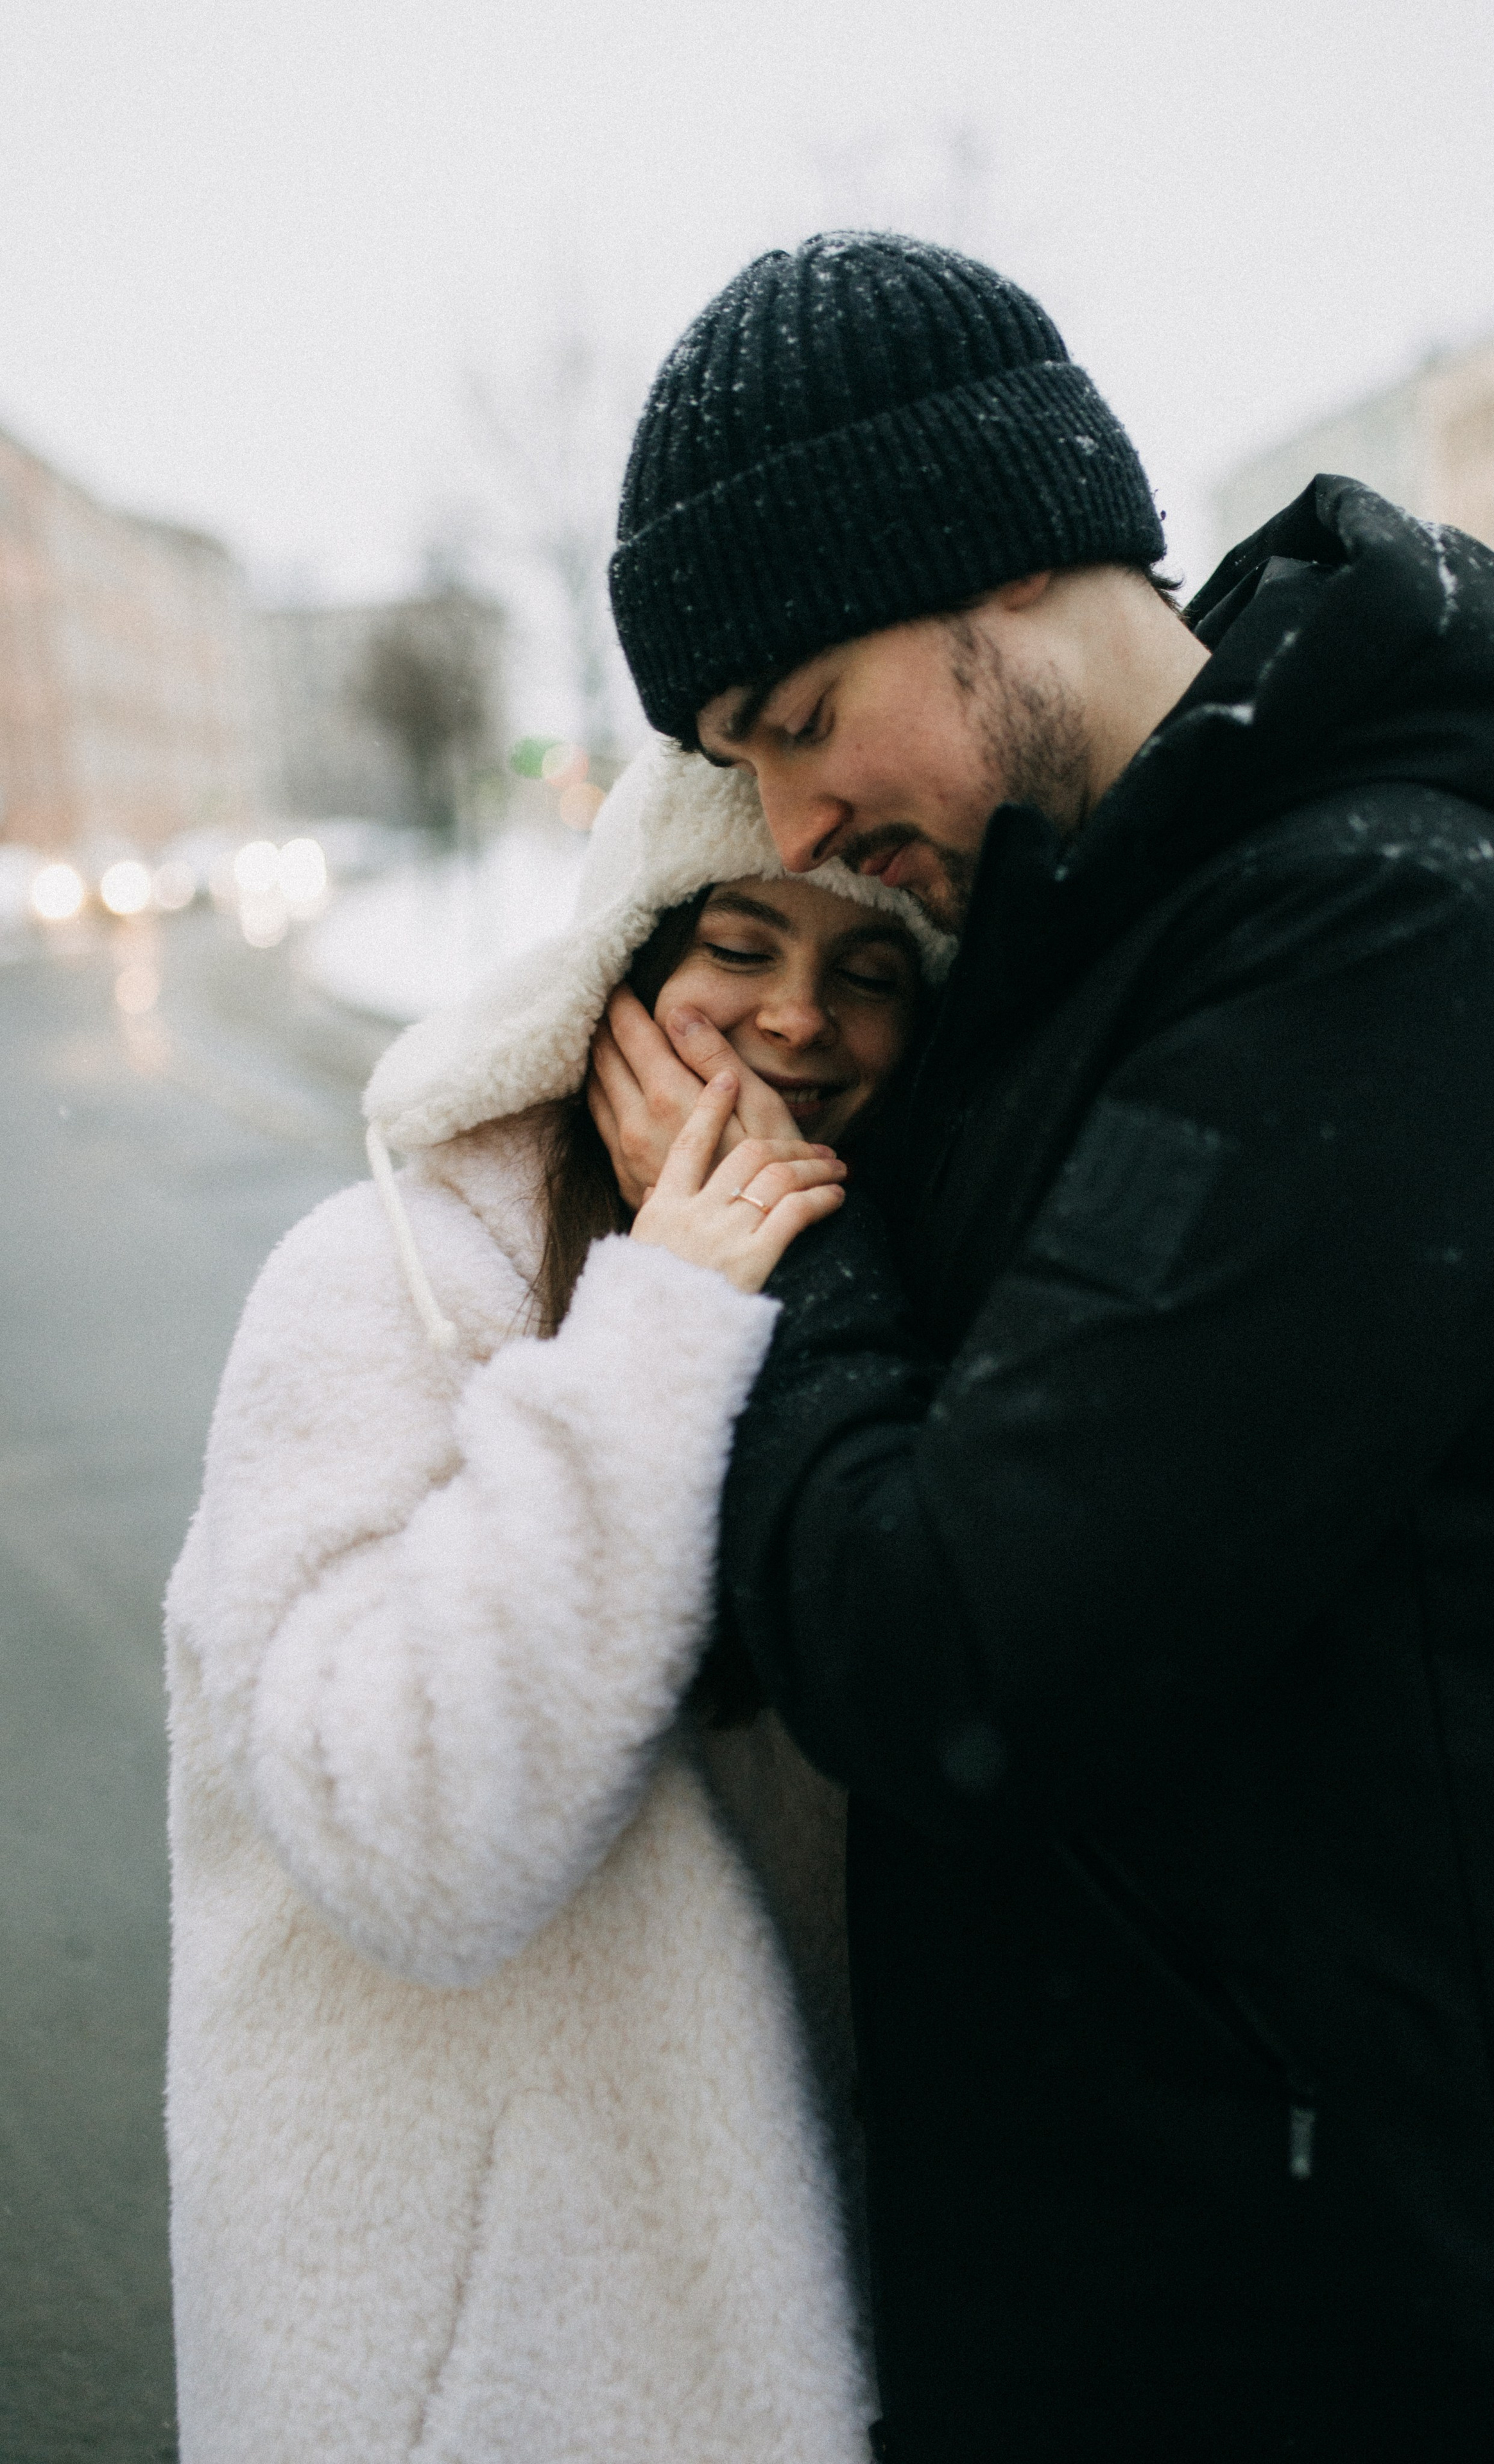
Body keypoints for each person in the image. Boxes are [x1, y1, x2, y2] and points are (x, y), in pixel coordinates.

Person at [592, 232, 1494, 2463]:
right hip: (1131, 2276)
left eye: (796, 721)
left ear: (992, 568)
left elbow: (949, 1641)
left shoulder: (1376, 942)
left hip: (1328, 2339)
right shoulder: (1083, 940)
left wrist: (766, 1244)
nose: (791, 821)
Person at [163, 739, 952, 2464]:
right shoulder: (388, 1279)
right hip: (463, 2377)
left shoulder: (880, 1305)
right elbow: (410, 1837)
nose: (798, 1021)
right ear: (621, 970)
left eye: (870, 969)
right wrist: (657, 1328)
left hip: (793, 2339)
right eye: (739, 945)